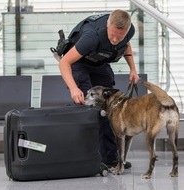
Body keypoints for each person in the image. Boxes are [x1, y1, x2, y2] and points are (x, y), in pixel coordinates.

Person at [58, 9, 140, 168]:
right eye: (112, 34)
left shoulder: (129, 32)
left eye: (120, 36)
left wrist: (133, 69)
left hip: (99, 63)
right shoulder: (92, 36)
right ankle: (86, 158)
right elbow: (64, 63)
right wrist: (73, 88)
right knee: (89, 109)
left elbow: (126, 44)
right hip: (78, 63)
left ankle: (110, 159)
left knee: (110, 109)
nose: (115, 40)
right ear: (107, 25)